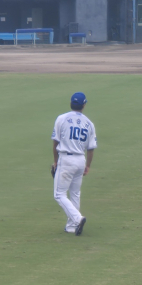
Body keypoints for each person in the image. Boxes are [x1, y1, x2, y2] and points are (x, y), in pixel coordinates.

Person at [51, 92, 97, 236]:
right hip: (80, 160)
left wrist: (56, 161)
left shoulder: (61, 118)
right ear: (84, 105)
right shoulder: (89, 123)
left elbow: (55, 142)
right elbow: (90, 149)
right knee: (75, 193)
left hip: (66, 159)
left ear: (71, 103)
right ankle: (71, 226)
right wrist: (88, 165)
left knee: (59, 194)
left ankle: (77, 218)